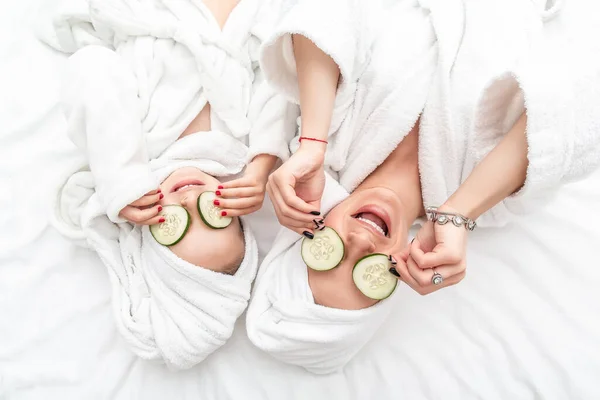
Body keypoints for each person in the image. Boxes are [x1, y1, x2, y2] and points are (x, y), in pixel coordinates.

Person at [246, 0, 600, 373]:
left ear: (307, 230)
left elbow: (328, 12)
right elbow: (584, 108)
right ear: (400, 273)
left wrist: (313, 141)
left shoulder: (329, 135)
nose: (362, 244)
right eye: (371, 273)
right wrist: (458, 212)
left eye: (329, 255)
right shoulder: (487, 200)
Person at [47, 0, 295, 369]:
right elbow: (280, 87)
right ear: (240, 213)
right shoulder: (242, 152)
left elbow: (91, 66)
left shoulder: (134, 151)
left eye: (173, 224)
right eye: (214, 214)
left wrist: (120, 176)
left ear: (146, 228)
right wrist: (262, 166)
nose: (190, 198)